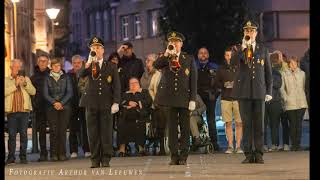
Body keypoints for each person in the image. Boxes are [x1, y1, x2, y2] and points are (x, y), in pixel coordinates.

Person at [231, 20, 273, 164]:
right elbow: (233, 63)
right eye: (246, 31)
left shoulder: (263, 49)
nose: (249, 33)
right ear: (244, 33)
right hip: (243, 92)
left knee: (259, 124)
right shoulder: (237, 48)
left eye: (252, 31)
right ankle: (248, 153)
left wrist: (269, 91)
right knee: (246, 123)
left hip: (259, 91)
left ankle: (259, 153)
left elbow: (268, 72)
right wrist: (243, 47)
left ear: (256, 33)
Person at [153, 31, 197, 165]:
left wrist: (193, 99)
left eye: (176, 42)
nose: (174, 44)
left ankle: (183, 155)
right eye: (171, 42)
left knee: (184, 128)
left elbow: (193, 80)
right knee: (171, 128)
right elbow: (156, 65)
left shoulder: (188, 58)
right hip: (169, 98)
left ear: (181, 44)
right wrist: (166, 54)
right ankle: (174, 155)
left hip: (184, 98)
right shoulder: (165, 58)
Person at [79, 36, 121, 168]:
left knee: (106, 132)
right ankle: (95, 159)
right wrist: (87, 63)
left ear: (103, 50)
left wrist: (116, 102)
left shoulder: (111, 66)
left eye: (97, 48)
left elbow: (117, 85)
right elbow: (80, 75)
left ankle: (106, 158)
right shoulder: (88, 64)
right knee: (92, 133)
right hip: (91, 103)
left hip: (106, 103)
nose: (95, 50)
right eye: (93, 48)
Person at [5, 59, 36, 165]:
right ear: (11, 68)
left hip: (24, 111)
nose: (18, 69)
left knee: (24, 135)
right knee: (12, 135)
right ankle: (11, 157)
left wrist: (25, 84)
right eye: (15, 67)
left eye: (19, 67)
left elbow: (33, 91)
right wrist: (15, 85)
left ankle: (23, 157)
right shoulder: (6, 80)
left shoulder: (26, 78)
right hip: (12, 112)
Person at [43, 58, 73, 161]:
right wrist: (55, 103)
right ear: (51, 67)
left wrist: (61, 103)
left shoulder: (66, 77)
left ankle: (62, 154)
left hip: (65, 107)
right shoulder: (47, 78)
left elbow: (69, 92)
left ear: (61, 67)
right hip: (51, 107)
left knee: (62, 131)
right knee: (54, 131)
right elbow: (45, 94)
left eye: (58, 66)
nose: (56, 67)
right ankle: (53, 155)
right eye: (54, 66)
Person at [215, 48, 243, 154]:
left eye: (230, 55)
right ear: (224, 56)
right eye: (227, 55)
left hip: (238, 99)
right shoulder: (221, 69)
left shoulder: (239, 68)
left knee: (239, 123)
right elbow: (216, 83)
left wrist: (236, 85)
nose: (229, 57)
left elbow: (244, 81)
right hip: (226, 98)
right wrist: (224, 85)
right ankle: (230, 146)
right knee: (228, 123)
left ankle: (239, 146)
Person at [118, 78, 152, 156]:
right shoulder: (125, 93)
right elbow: (120, 103)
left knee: (139, 122)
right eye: (131, 83)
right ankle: (122, 149)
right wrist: (128, 102)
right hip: (126, 116)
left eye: (135, 83)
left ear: (139, 83)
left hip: (139, 115)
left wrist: (136, 103)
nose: (133, 85)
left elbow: (148, 102)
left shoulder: (144, 92)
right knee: (121, 123)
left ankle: (141, 148)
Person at [280, 56, 308, 151]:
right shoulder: (284, 74)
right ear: (288, 64)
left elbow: (304, 87)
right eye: (291, 63)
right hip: (290, 103)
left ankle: (298, 144)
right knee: (292, 124)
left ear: (297, 64)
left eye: (295, 63)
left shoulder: (302, 74)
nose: (293, 65)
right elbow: (282, 88)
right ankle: (293, 144)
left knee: (299, 124)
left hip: (301, 103)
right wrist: (286, 98)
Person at [195, 47, 220, 151]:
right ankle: (196, 143)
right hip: (197, 97)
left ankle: (214, 143)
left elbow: (219, 82)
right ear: (198, 55)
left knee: (211, 120)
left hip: (210, 96)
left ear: (208, 55)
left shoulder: (214, 67)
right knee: (195, 118)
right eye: (201, 53)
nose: (203, 55)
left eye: (205, 53)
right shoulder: (193, 66)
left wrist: (215, 94)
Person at [67, 55, 91, 158]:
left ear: (82, 63)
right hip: (72, 104)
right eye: (75, 63)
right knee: (73, 128)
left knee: (85, 127)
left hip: (84, 103)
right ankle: (73, 150)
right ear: (72, 64)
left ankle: (87, 149)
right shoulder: (68, 75)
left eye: (78, 63)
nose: (77, 65)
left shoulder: (85, 74)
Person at [30, 53, 50, 162]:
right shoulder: (33, 77)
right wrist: (34, 103)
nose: (42, 63)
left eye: (45, 61)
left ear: (48, 63)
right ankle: (43, 154)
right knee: (41, 132)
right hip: (39, 108)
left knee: (55, 131)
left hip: (52, 107)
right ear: (38, 63)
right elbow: (30, 93)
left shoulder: (52, 74)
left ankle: (56, 153)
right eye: (41, 61)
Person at [263, 52, 283, 152]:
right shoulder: (261, 72)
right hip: (263, 101)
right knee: (263, 124)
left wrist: (268, 81)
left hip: (275, 101)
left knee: (274, 124)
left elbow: (278, 85)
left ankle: (275, 144)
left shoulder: (276, 72)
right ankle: (264, 144)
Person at [272, 50, 290, 151]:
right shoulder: (273, 68)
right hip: (277, 98)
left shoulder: (286, 67)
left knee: (285, 123)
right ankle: (278, 144)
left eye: (279, 56)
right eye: (276, 57)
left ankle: (286, 143)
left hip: (285, 98)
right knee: (275, 123)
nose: (278, 58)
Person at [148, 68, 165, 155]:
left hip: (169, 103)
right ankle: (162, 148)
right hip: (158, 104)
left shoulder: (170, 72)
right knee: (160, 126)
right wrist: (155, 99)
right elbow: (150, 88)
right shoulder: (156, 74)